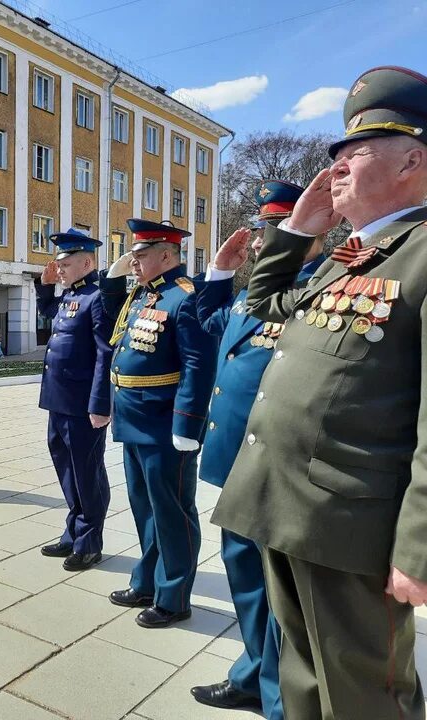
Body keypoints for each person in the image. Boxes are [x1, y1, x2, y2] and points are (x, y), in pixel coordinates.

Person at [211, 66, 427, 719]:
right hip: (286, 506)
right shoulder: (350, 255)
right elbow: (264, 304)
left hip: (352, 525)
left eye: (354, 153)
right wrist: (299, 232)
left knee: (365, 694)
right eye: (334, 155)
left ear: (413, 158)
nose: (333, 169)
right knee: (303, 680)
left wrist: (418, 548)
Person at [189, 181, 325, 716]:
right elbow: (212, 326)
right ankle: (252, 674)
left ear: (312, 230)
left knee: (278, 593)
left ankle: (278, 697)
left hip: (277, 467)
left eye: (279, 228)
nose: (267, 239)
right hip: (235, 461)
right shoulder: (253, 292)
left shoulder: (324, 287)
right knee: (245, 578)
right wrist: (220, 273)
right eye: (267, 229)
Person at [106, 219, 217, 628]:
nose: (133, 263)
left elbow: (198, 365)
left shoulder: (185, 297)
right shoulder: (142, 296)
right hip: (135, 416)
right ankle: (148, 581)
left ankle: (174, 596)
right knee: (144, 506)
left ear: (167, 256)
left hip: (164, 422)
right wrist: (119, 275)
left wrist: (187, 424)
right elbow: (111, 330)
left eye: (141, 255)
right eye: (133, 256)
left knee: (171, 510)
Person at [34, 229, 119, 571]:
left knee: (87, 473)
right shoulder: (71, 296)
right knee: (67, 469)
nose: (60, 270)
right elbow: (49, 314)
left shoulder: (98, 297)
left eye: (66, 264)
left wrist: (100, 404)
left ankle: (89, 543)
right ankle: (73, 533)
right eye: (58, 264)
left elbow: (104, 353)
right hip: (59, 400)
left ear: (86, 262)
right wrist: (45, 285)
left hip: (83, 404)